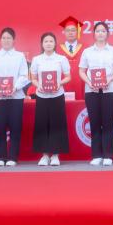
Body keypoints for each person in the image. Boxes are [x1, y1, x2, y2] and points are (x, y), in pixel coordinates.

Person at [79, 21, 113, 166]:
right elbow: (81, 71)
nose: (100, 33)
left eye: (103, 31)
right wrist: (89, 82)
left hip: (109, 90)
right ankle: (97, 155)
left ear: (107, 34)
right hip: (91, 91)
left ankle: (108, 155)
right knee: (95, 122)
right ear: (94, 34)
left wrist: (110, 79)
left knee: (108, 122)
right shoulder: (87, 51)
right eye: (98, 31)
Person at [0, 28, 30, 167]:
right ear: (0, 40)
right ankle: (1, 157)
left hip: (15, 97)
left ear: (13, 40)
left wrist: (15, 88)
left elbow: (24, 75)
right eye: (4, 38)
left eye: (9, 38)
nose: (6, 40)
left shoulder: (20, 56)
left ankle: (12, 157)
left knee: (15, 127)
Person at [30, 32, 71, 166]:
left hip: (57, 96)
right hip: (42, 96)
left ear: (55, 44)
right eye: (46, 41)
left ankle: (55, 155)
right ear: (42, 44)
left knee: (57, 124)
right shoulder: (36, 59)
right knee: (42, 124)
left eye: (51, 41)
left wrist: (59, 83)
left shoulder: (61, 59)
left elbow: (68, 77)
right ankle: (44, 155)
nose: (48, 44)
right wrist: (39, 85)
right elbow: (33, 78)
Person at [56, 16, 86, 99]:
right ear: (64, 32)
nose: (70, 33)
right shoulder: (56, 48)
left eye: (73, 30)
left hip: (81, 82)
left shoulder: (86, 48)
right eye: (68, 30)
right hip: (62, 82)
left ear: (77, 32)